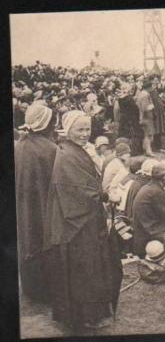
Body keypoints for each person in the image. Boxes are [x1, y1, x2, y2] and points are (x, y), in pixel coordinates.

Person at [44, 111, 122, 330]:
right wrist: (105, 196)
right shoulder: (67, 154)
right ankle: (83, 317)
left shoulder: (75, 150)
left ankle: (88, 314)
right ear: (68, 130)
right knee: (84, 270)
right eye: (79, 129)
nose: (84, 134)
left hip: (84, 218)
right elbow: (78, 189)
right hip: (76, 223)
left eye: (87, 129)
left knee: (88, 269)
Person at [15, 102, 58, 303]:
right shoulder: (49, 149)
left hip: (24, 204)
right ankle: (46, 291)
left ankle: (31, 289)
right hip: (44, 204)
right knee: (44, 241)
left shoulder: (21, 144)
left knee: (27, 239)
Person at [131, 160, 165, 257]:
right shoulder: (156, 192)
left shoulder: (150, 187)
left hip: (143, 230)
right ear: (164, 177)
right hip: (149, 233)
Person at [135, 78, 156, 156]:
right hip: (146, 118)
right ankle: (148, 151)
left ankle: (146, 149)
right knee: (148, 135)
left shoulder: (140, 93)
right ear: (149, 87)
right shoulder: (145, 95)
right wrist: (152, 106)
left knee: (146, 134)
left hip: (142, 117)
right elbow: (145, 108)